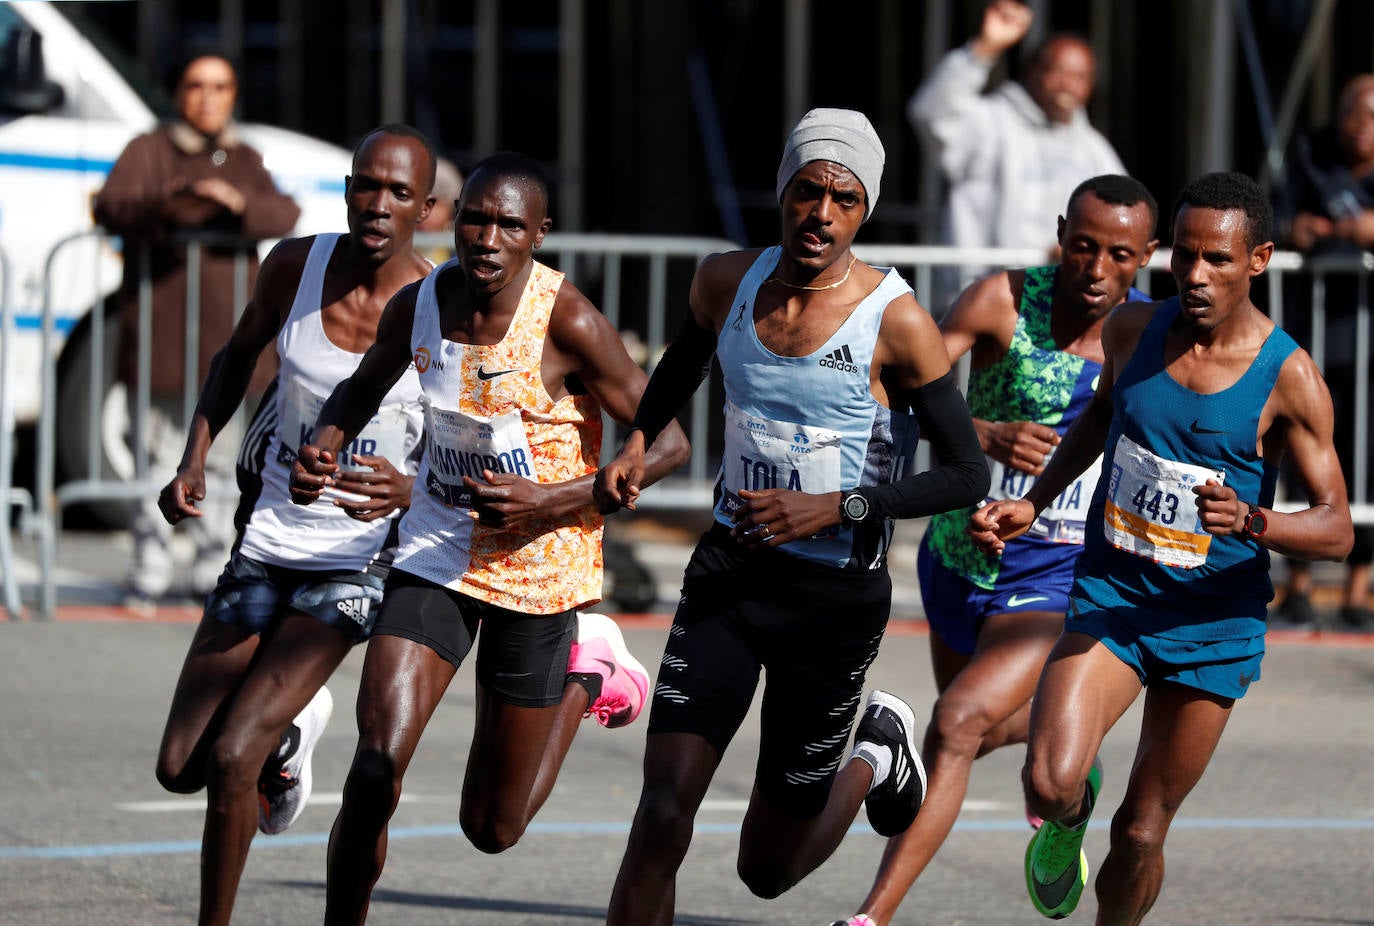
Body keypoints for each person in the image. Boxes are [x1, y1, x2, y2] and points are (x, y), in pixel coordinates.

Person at [594, 108, 989, 925]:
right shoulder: (724, 282)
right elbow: (682, 362)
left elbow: (964, 473)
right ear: (783, 190)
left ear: (865, 209)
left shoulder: (898, 322)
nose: (822, 214)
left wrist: (837, 506)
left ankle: (876, 757)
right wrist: (636, 439)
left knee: (766, 871)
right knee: (662, 811)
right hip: (730, 578)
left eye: (844, 200)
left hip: (833, 604)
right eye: (808, 192)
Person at [288, 150, 689, 925]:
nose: (489, 237)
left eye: (510, 223)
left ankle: (589, 674)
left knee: (493, 828)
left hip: (540, 570)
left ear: (539, 233)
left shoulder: (565, 317)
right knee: (375, 770)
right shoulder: (422, 302)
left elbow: (666, 441)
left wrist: (549, 499)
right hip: (437, 552)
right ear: (451, 218)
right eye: (476, 217)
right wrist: (325, 442)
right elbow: (364, 384)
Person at [969, 171, 1353, 921]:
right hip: (1115, 595)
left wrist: (1252, 520)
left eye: (1217, 259)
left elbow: (1337, 526)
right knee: (1049, 782)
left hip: (1212, 620)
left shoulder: (1291, 378)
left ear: (1261, 259)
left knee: (1142, 830)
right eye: (1183, 256)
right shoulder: (1132, 331)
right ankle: (1071, 813)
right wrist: (1035, 499)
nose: (1196, 276)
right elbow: (1100, 416)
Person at [829, 174, 1159, 926]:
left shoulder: (1153, 334)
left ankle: (871, 916)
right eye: (1082, 246)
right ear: (1059, 234)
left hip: (1062, 572)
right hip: (961, 554)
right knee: (976, 727)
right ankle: (1069, 771)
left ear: (1147, 257)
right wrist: (986, 434)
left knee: (955, 725)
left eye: (1119, 255)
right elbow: (900, 388)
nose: (1097, 269)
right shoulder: (1000, 302)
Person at [151, 124, 437, 926]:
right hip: (267, 537)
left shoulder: (439, 310)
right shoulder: (296, 266)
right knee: (182, 766)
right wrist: (193, 457)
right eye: (365, 186)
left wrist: (407, 488)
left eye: (399, 193)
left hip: (355, 563)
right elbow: (235, 356)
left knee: (233, 756)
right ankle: (293, 729)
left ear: (428, 207)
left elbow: (460, 455)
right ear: (347, 188)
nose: (378, 205)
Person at [92, 52, 302, 607]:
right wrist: (172, 205)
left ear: (233, 94)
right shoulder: (149, 149)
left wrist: (235, 204)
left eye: (221, 86)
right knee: (157, 460)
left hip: (230, 348)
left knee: (221, 464)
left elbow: (284, 213)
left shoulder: (244, 156)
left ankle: (211, 569)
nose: (208, 97)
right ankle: (149, 569)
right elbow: (111, 205)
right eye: (196, 85)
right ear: (179, 91)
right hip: (162, 343)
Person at [908, 0, 1124, 306]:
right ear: (1033, 71)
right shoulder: (991, 121)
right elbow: (931, 111)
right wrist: (984, 49)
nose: (1067, 85)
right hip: (983, 302)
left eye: (1080, 77)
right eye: (1057, 71)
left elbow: (1122, 217)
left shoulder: (1093, 149)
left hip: (1056, 307)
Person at [1272, 72, 1374, 630]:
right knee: (1300, 460)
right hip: (1316, 339)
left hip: (1369, 351)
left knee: (1365, 467)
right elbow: (1274, 217)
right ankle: (1298, 585)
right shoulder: (1312, 155)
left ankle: (1359, 592)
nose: (1364, 125)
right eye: (1355, 111)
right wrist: (1296, 230)